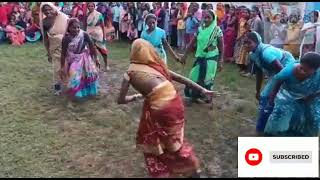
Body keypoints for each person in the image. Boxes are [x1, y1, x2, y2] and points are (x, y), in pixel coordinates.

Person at [117, 38, 215, 178]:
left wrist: (135, 97)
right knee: (172, 139)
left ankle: (186, 168)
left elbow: (120, 100)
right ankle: (189, 167)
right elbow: (181, 78)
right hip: (176, 103)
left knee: (162, 141)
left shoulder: (129, 72)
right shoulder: (157, 65)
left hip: (162, 108)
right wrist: (202, 90)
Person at [245, 31, 296, 135]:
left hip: (286, 65)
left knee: (266, 97)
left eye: (249, 42)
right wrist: (257, 91)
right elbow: (259, 72)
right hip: (277, 70)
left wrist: (279, 89)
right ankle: (269, 124)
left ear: (257, 42)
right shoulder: (253, 54)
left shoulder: (265, 52)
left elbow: (281, 72)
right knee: (266, 96)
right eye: (244, 42)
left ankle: (261, 129)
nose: (246, 45)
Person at [264, 52, 320, 136]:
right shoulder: (288, 71)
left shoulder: (318, 75)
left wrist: (311, 96)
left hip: (310, 96)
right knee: (280, 112)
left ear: (315, 70)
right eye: (301, 67)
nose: (301, 71)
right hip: (288, 93)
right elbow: (277, 83)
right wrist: (271, 99)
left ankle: (302, 136)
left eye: (305, 70)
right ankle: (274, 135)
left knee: (312, 117)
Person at [181, 10, 224, 103]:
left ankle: (206, 96)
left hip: (211, 58)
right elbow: (191, 43)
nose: (207, 19)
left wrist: (221, 60)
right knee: (193, 76)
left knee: (207, 78)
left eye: (209, 17)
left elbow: (221, 46)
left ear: (213, 19)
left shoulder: (217, 30)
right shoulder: (200, 29)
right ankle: (195, 96)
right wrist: (185, 55)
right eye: (205, 17)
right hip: (200, 57)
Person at [60, 18, 99, 100]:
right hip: (73, 59)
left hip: (84, 58)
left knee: (87, 75)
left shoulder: (84, 34)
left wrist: (96, 58)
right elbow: (63, 54)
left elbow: (92, 47)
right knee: (74, 76)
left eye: (78, 27)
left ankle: (85, 93)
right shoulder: (66, 38)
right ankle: (77, 94)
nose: (77, 29)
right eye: (74, 27)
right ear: (69, 28)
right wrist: (62, 66)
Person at [39, 2, 69, 95]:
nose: (48, 12)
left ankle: (72, 84)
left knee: (69, 66)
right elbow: (46, 38)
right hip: (55, 48)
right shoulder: (44, 22)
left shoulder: (63, 17)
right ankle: (57, 87)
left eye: (49, 9)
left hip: (67, 46)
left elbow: (72, 30)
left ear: (53, 8)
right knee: (57, 68)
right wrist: (48, 52)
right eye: (45, 10)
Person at [86, 2, 109, 71]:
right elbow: (86, 25)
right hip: (89, 35)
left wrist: (104, 36)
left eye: (92, 6)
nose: (90, 7)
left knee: (103, 51)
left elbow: (103, 26)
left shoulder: (99, 15)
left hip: (98, 35)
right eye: (89, 6)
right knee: (91, 51)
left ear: (94, 6)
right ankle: (95, 66)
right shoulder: (87, 15)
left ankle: (106, 65)